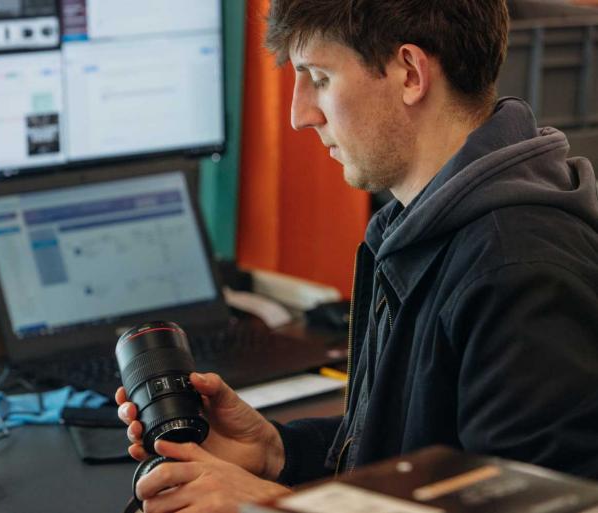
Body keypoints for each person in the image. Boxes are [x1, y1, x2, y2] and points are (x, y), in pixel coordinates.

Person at [116, 1, 598, 511]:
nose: (301, 115)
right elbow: (419, 458)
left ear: (410, 73)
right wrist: (278, 452)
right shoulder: (418, 226)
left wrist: (271, 505)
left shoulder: (517, 269)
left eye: (319, 78)